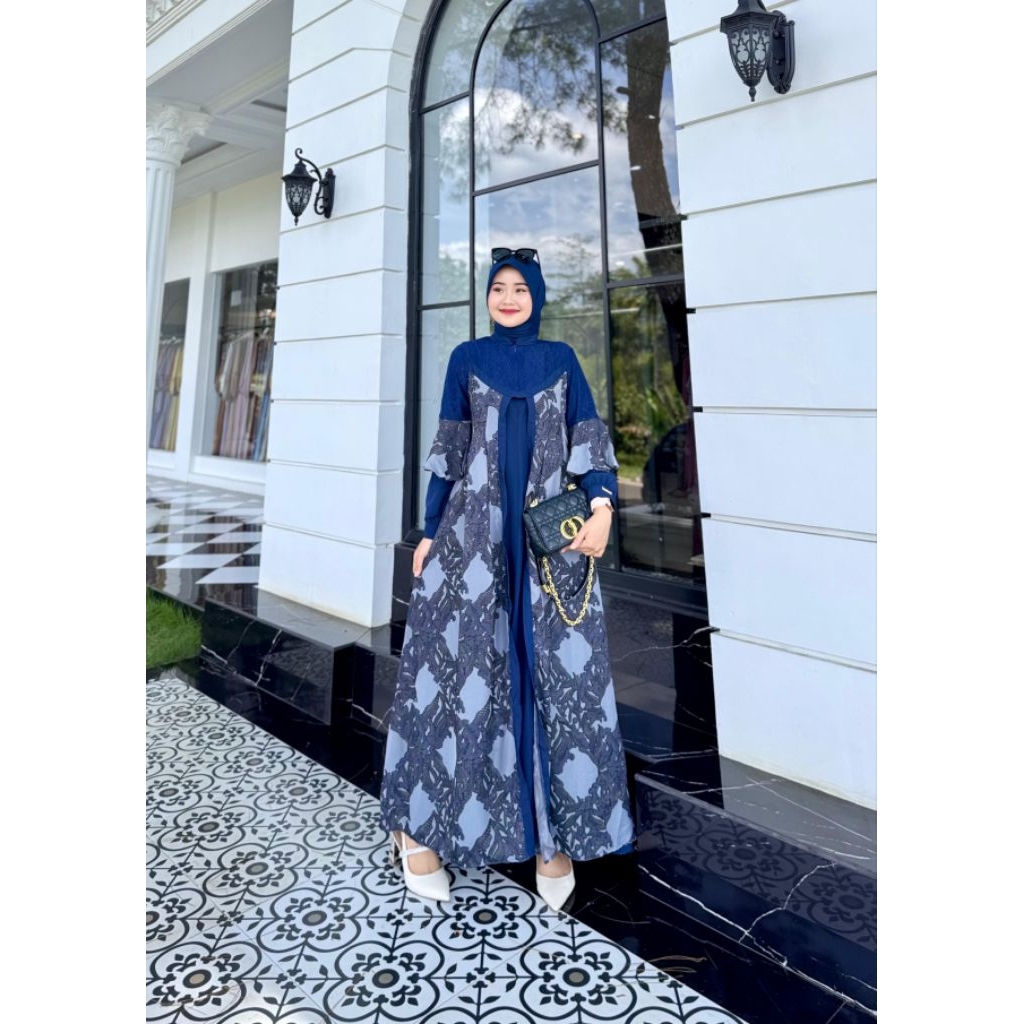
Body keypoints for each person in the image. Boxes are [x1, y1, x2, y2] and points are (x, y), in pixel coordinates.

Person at [378, 246, 635, 911]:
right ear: (487, 297)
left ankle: (552, 833)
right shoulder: (466, 359)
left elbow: (589, 441)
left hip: (550, 548)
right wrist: (429, 529)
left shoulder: (562, 360)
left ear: (538, 296)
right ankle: (418, 828)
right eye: (499, 287)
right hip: (473, 542)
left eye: (521, 287)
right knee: (455, 677)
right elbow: (449, 451)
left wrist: (603, 508)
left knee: (554, 680)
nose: (510, 297)